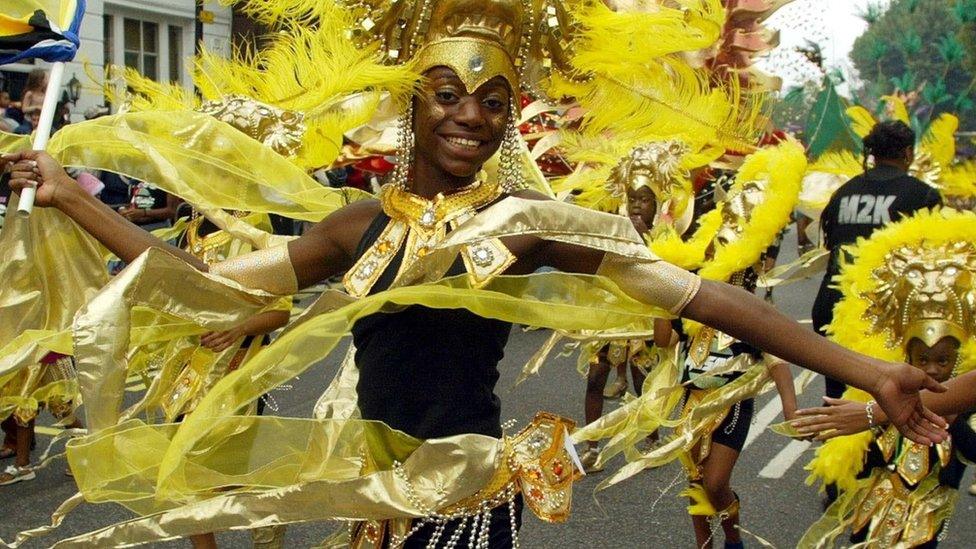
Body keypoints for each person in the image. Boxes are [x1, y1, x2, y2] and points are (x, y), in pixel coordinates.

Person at [0, 1, 947, 545]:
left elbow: (703, 296)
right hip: (375, 498)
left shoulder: (528, 224)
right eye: (449, 95)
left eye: (495, 102)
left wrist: (871, 373)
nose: (472, 117)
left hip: (466, 497)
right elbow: (204, 290)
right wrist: (75, 198)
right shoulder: (356, 225)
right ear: (416, 104)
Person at [789, 208, 976, 548]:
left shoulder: (963, 405)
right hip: (872, 509)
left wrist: (954, 417)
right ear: (906, 359)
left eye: (943, 361)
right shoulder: (886, 396)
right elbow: (862, 458)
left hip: (925, 519)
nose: (933, 369)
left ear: (959, 360)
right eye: (923, 360)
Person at [811, 120, 942, 401]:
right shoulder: (921, 195)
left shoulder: (844, 192)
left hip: (833, 310)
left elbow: (830, 244)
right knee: (889, 407)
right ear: (907, 153)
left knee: (838, 404)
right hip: (886, 317)